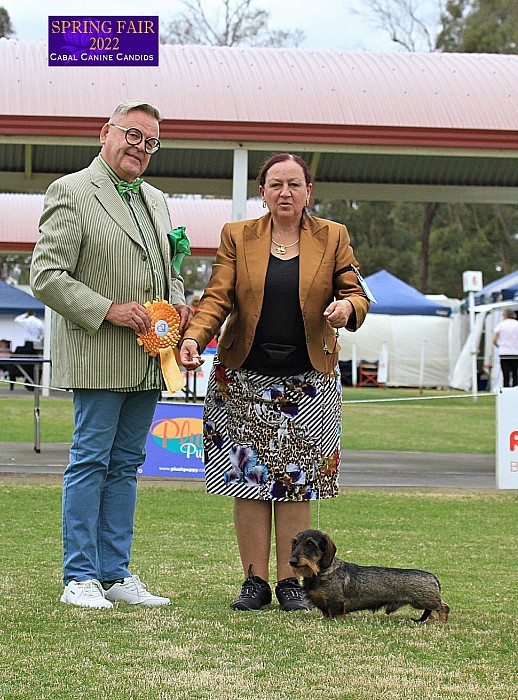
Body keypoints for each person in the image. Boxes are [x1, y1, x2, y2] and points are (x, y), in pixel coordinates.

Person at [179, 153, 370, 612]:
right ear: (261, 191)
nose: (285, 192)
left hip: (309, 383)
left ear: (309, 192)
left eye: (294, 184)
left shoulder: (334, 236)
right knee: (248, 482)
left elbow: (356, 292)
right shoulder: (237, 236)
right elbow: (217, 297)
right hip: (242, 379)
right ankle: (254, 582)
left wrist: (347, 309)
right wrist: (193, 337)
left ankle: (290, 583)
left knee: (297, 484)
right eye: (275, 184)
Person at [30, 100, 192, 609]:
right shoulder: (71, 191)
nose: (141, 148)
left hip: (148, 359)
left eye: (151, 142)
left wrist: (180, 304)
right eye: (133, 135)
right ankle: (79, 576)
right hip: (97, 354)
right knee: (90, 461)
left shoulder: (158, 201)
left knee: (125, 465)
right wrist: (107, 310)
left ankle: (114, 573)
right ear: (107, 133)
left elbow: (168, 272)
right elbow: (46, 275)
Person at [493, 308, 518, 387]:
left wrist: (499, 345)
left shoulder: (501, 325)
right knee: (515, 374)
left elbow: (494, 340)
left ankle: (506, 391)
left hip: (504, 353)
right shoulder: (517, 324)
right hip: (515, 353)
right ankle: (515, 391)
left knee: (505, 375)